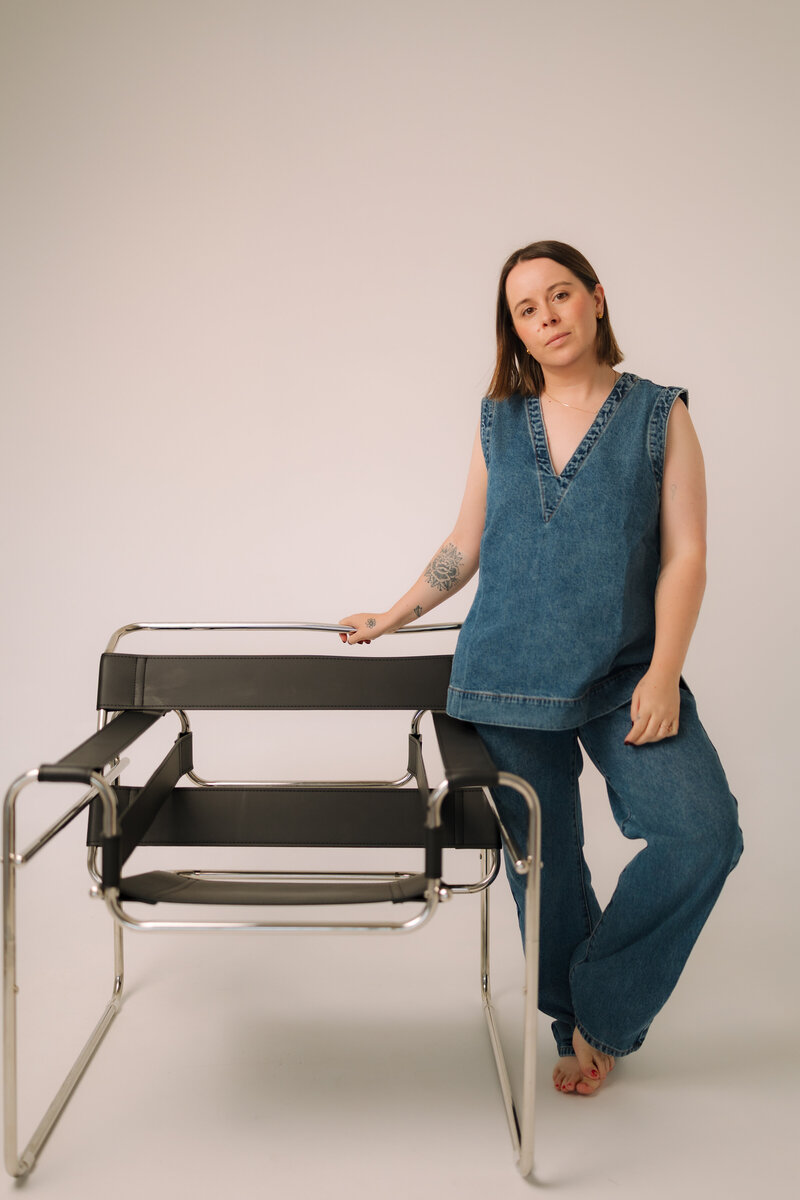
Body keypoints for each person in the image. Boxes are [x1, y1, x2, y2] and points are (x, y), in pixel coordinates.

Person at [339, 240, 743, 1097]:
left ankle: (599, 1006)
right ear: (515, 331)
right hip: (506, 678)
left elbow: (688, 556)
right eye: (527, 308)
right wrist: (397, 610)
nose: (547, 316)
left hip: (626, 676)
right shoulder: (498, 417)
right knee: (546, 864)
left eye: (560, 296)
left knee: (702, 832)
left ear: (596, 300)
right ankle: (577, 1031)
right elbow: (465, 544)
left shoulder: (659, 413)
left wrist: (665, 673)